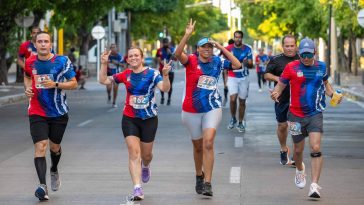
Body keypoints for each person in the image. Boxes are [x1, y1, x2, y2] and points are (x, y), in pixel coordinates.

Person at [174, 19, 241, 197]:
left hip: (212, 107)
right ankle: (198, 175)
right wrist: (187, 34)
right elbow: (176, 54)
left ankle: (208, 182)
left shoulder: (218, 62)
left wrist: (221, 46)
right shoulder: (190, 61)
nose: (207, 50)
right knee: (197, 147)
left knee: (208, 142)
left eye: (210, 47)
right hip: (190, 110)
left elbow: (237, 64)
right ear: (198, 49)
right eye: (204, 47)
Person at [270, 37, 342, 199]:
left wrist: (334, 95)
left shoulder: (321, 67)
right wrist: (275, 93)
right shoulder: (291, 67)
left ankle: (314, 185)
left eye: (309, 55)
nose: (306, 58)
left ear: (315, 53)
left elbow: (326, 86)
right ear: (299, 53)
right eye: (303, 55)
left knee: (316, 147)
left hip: (315, 113)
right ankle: (300, 169)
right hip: (295, 115)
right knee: (297, 150)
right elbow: (280, 86)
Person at [99, 47, 171, 201]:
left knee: (146, 155)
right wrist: (104, 64)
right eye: (130, 56)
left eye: (136, 55)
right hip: (130, 118)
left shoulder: (153, 73)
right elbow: (104, 80)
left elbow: (165, 88)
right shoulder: (125, 74)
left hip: (149, 119)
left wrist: (165, 75)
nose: (133, 58)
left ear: (142, 57)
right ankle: (137, 188)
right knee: (133, 153)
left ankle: (146, 166)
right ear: (127, 59)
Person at [23, 31, 77, 201]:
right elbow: (26, 76)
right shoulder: (30, 61)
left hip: (58, 112)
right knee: (41, 146)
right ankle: (42, 186)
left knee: (54, 147)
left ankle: (54, 168)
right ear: (35, 44)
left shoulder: (62, 61)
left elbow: (74, 83)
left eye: (46, 41)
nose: (43, 44)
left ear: (51, 44)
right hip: (37, 111)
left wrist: (56, 84)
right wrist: (28, 89)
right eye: (40, 41)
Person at [264, 34, 300, 166]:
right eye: (287, 46)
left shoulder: (302, 59)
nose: (290, 48)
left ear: (296, 45)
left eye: (292, 46)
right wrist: (278, 79)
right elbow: (266, 74)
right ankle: (283, 149)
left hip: (298, 100)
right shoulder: (276, 59)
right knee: (282, 125)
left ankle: (297, 154)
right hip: (282, 98)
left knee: (297, 126)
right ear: (283, 46)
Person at [225, 30, 253, 132]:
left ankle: (240, 123)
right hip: (232, 77)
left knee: (242, 101)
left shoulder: (247, 49)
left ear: (242, 38)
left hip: (244, 77)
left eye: (239, 37)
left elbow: (251, 65)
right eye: (236, 37)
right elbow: (222, 61)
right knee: (232, 99)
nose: (237, 39)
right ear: (234, 38)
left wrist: (246, 63)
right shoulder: (228, 48)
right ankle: (233, 118)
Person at [156, 38, 175, 105]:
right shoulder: (159, 50)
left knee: (170, 84)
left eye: (167, 43)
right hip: (162, 69)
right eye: (164, 43)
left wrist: (170, 53)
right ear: (162, 43)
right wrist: (164, 64)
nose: (165, 44)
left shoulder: (172, 49)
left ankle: (169, 98)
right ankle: (162, 97)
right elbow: (158, 58)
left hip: (171, 70)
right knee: (162, 83)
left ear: (168, 43)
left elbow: (175, 58)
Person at [221, 39, 235, 106]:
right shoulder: (234, 49)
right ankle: (230, 96)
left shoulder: (226, 48)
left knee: (225, 83)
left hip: (226, 67)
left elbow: (221, 55)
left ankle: (226, 97)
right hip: (232, 67)